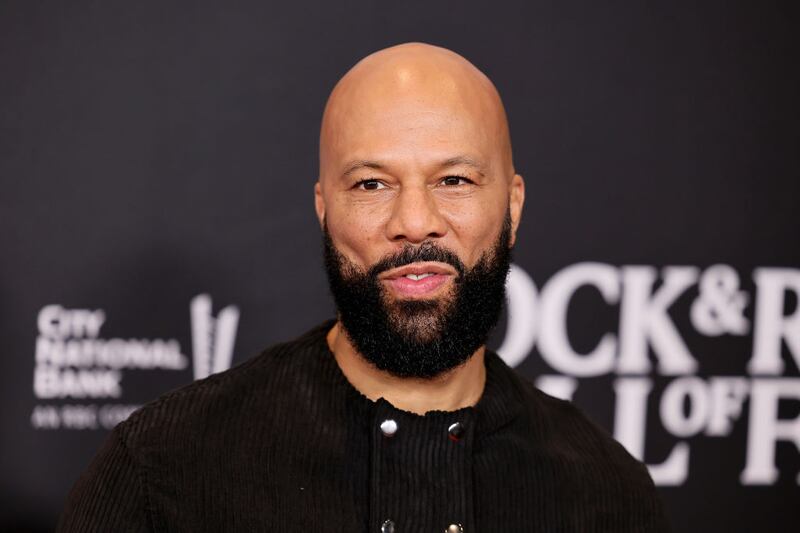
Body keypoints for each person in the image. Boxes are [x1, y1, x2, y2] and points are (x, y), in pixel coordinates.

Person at [58, 42, 669, 532]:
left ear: (511, 208)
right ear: (324, 210)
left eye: (454, 179)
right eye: (372, 185)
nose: (413, 222)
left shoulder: (605, 495)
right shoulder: (165, 466)